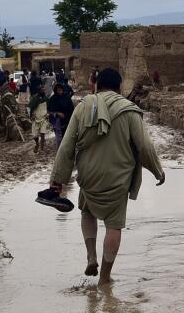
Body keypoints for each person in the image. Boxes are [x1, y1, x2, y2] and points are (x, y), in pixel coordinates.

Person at [48, 68, 164, 284]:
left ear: (96, 85)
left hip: (89, 175)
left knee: (87, 212)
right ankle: (105, 277)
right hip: (118, 178)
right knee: (114, 226)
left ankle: (91, 256)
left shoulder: (82, 107)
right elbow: (145, 147)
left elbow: (66, 146)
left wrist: (58, 181)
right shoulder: (130, 110)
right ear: (119, 88)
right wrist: (157, 170)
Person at [47, 83, 74, 147]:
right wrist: (57, 113)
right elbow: (48, 110)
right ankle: (59, 151)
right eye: (58, 90)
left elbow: (71, 108)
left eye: (61, 90)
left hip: (67, 119)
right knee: (59, 137)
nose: (60, 92)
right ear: (55, 90)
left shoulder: (66, 97)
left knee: (67, 136)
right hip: (57, 120)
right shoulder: (53, 99)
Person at [28, 84, 50, 153]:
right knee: (35, 135)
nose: (43, 91)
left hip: (44, 118)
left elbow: (50, 108)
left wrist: (48, 114)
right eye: (42, 90)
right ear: (39, 91)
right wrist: (31, 115)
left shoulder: (46, 99)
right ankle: (37, 144)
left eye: (44, 90)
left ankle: (42, 149)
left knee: (42, 133)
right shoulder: (34, 98)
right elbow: (29, 108)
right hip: (36, 118)